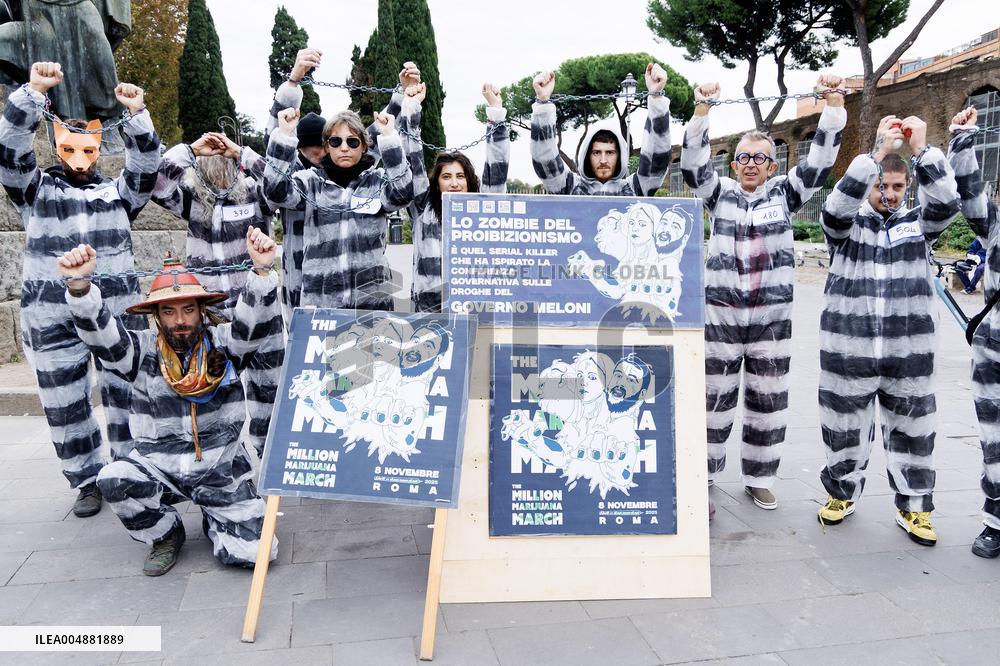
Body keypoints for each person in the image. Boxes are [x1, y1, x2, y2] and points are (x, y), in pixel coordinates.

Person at [59, 227, 282, 576]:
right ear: (156, 315)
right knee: (113, 478)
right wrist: (79, 288)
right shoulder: (141, 349)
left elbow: (252, 325)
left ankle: (217, 514)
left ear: (202, 310)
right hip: (159, 467)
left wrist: (262, 272)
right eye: (169, 312)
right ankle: (165, 533)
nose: (180, 321)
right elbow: (103, 338)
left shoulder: (224, 344)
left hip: (220, 470)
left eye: (188, 310)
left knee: (257, 555)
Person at [0, 61, 160, 517]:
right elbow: (9, 153)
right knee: (64, 402)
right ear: (55, 145)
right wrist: (32, 92)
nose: (78, 159)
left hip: (115, 314)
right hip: (52, 314)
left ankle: (129, 469)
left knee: (126, 392)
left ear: (97, 145)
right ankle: (87, 479)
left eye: (87, 150)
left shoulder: (118, 194)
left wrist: (136, 113)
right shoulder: (35, 192)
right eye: (68, 149)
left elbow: (146, 168)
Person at [680, 76, 846, 511]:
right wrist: (702, 111)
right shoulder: (720, 195)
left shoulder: (785, 194)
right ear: (733, 165)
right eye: (743, 157)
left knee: (767, 401)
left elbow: (821, 161)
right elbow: (693, 164)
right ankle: (706, 474)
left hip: (772, 323)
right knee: (712, 400)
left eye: (760, 158)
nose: (751, 163)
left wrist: (832, 105)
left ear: (772, 166)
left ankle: (759, 476)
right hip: (721, 317)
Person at [816, 114, 960, 546]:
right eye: (882, 185)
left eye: (898, 188)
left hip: (908, 356)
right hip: (848, 351)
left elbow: (948, 203)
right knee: (843, 429)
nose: (889, 194)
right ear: (869, 186)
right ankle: (842, 494)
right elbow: (835, 207)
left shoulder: (918, 227)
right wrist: (878, 152)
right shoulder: (845, 228)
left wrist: (920, 149)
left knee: (915, 432)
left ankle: (915, 508)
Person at [150, 131, 282, 456]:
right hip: (212, 318)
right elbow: (157, 184)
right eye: (211, 159)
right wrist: (191, 149)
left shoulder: (252, 193)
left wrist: (241, 152)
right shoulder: (192, 199)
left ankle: (272, 459)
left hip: (258, 312)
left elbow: (280, 186)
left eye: (225, 159)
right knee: (217, 394)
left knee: (270, 392)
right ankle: (225, 462)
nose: (218, 163)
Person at [267, 50, 418, 326]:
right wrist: (284, 137)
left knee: (373, 370)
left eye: (352, 141)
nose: (344, 148)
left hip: (373, 309)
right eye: (335, 142)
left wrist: (391, 139)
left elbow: (403, 194)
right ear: (326, 147)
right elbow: (275, 191)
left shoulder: (377, 181)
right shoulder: (310, 182)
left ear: (364, 145)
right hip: (321, 310)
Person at [396, 81, 509, 311]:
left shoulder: (482, 211)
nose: (455, 183)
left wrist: (496, 112)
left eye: (460, 176)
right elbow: (413, 160)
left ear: (469, 180)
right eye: (447, 177)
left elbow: (497, 171)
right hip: (427, 313)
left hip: (473, 311)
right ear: (437, 182)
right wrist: (411, 108)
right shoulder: (423, 208)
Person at [947, 105, 1000, 558]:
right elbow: (968, 192)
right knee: (995, 441)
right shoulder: (996, 221)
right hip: (994, 347)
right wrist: (962, 136)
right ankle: (995, 522)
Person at [530, 63, 671, 196]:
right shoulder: (570, 186)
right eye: (597, 152)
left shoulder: (634, 188)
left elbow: (657, 160)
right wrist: (542, 103)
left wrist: (656, 99)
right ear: (587, 156)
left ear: (619, 155)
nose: (603, 160)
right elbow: (544, 159)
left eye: (610, 152)